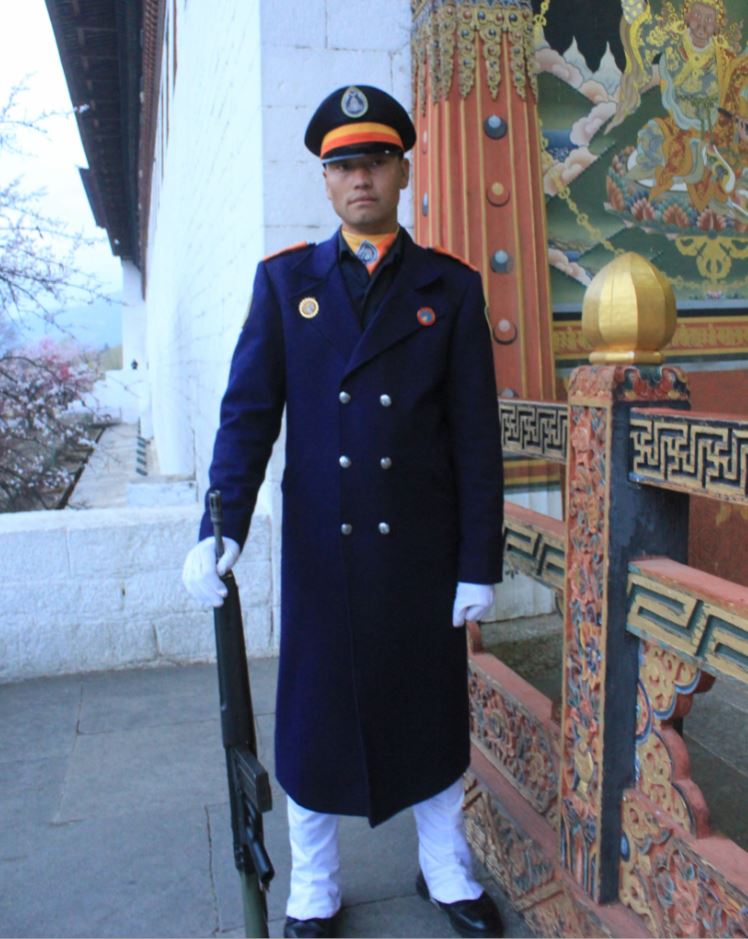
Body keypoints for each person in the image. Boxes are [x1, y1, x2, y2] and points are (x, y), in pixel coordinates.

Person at [182, 84, 504, 939]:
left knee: (431, 717)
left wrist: (480, 560)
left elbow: (476, 437)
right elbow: (248, 416)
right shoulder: (287, 284)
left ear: (402, 170)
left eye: (376, 161)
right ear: (327, 183)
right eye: (343, 165)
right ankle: (314, 884)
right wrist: (221, 526)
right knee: (315, 722)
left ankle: (445, 866)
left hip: (420, 553)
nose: (360, 177)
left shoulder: (453, 288)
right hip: (324, 553)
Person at [611, 0, 739, 212]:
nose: (702, 25)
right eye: (698, 16)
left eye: (709, 19)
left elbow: (730, 99)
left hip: (712, 128)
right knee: (650, 135)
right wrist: (685, 120)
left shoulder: (724, 59)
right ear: (687, 17)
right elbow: (668, 94)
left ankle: (709, 187)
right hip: (678, 123)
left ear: (718, 26)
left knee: (724, 159)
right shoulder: (673, 52)